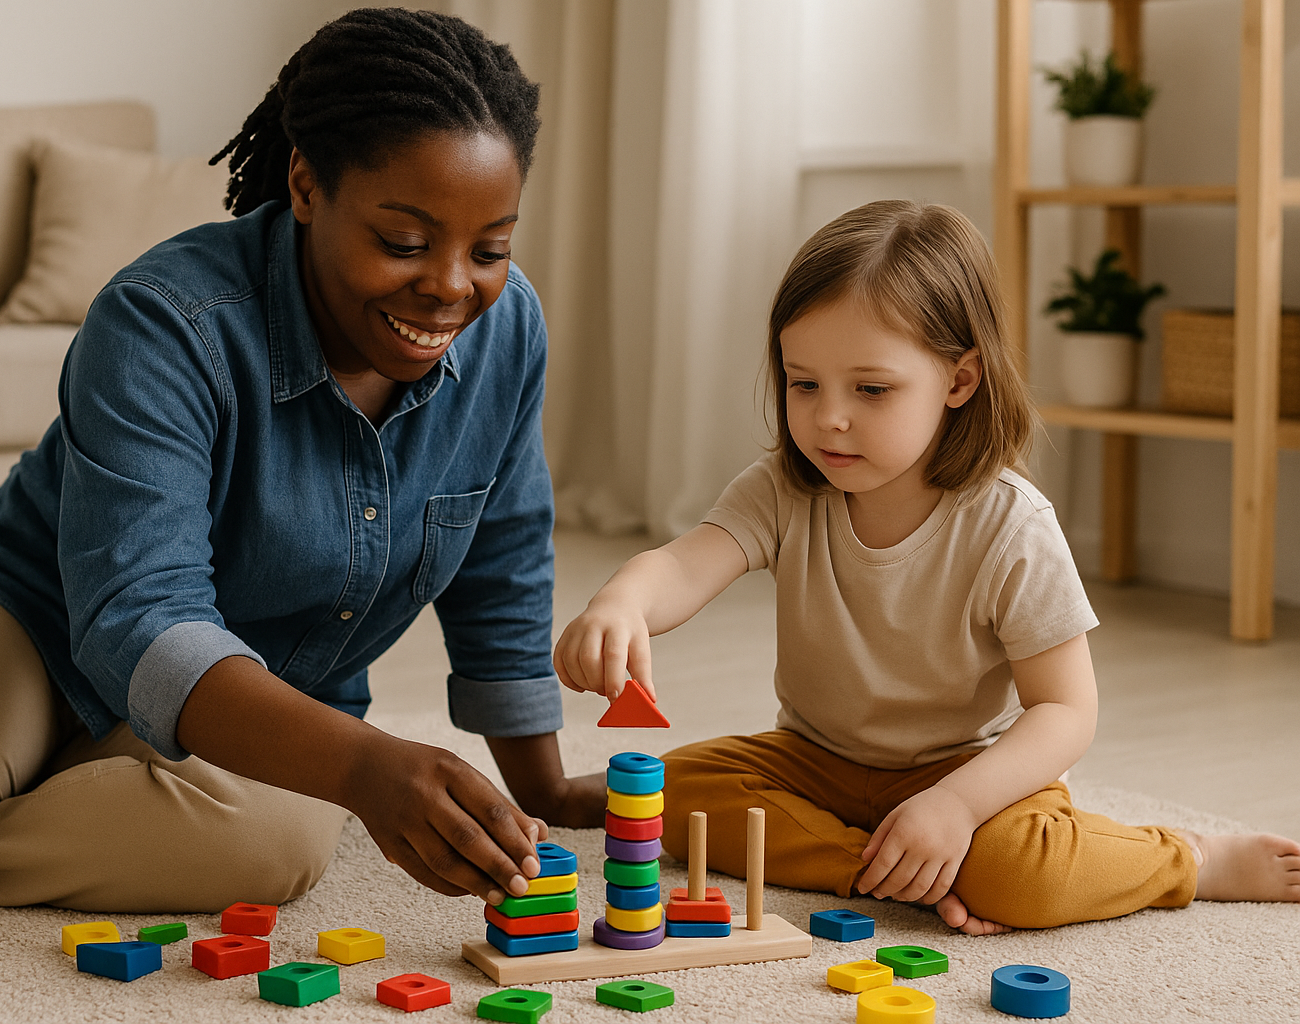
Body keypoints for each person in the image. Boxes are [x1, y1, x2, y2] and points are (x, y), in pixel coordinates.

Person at [0, 7, 607, 932]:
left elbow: (501, 557)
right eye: (404, 243)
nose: (452, 285)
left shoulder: (507, 329)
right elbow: (141, 616)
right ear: (306, 184)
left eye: (490, 248)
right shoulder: (166, 320)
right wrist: (367, 764)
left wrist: (545, 784)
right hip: (23, 620)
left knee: (277, 840)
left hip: (248, 702)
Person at [554, 200, 1300, 933]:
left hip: (972, 773)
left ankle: (1190, 860)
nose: (828, 417)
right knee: (677, 791)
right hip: (818, 760)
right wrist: (621, 603)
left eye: (870, 389)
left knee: (1018, 875)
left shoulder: (1012, 526)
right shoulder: (783, 489)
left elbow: (1066, 711)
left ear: (959, 381)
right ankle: (892, 869)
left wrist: (958, 806)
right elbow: (684, 567)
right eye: (803, 383)